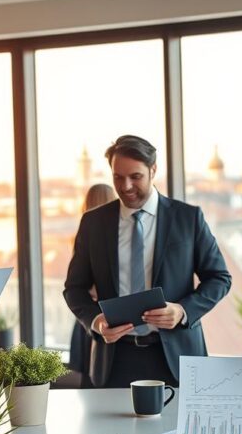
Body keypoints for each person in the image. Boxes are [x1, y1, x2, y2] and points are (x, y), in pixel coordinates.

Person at [64, 135, 231, 388]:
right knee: (110, 430)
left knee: (180, 429)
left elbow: (219, 278)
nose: (126, 186)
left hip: (178, 359)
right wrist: (95, 321)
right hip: (113, 359)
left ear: (153, 170)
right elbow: (74, 289)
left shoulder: (188, 218)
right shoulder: (94, 223)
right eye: (118, 177)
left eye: (136, 177)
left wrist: (183, 311)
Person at [68, 183, 117, 387]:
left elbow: (77, 284)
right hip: (106, 317)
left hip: (89, 317)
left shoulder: (81, 235)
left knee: (90, 380)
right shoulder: (115, 236)